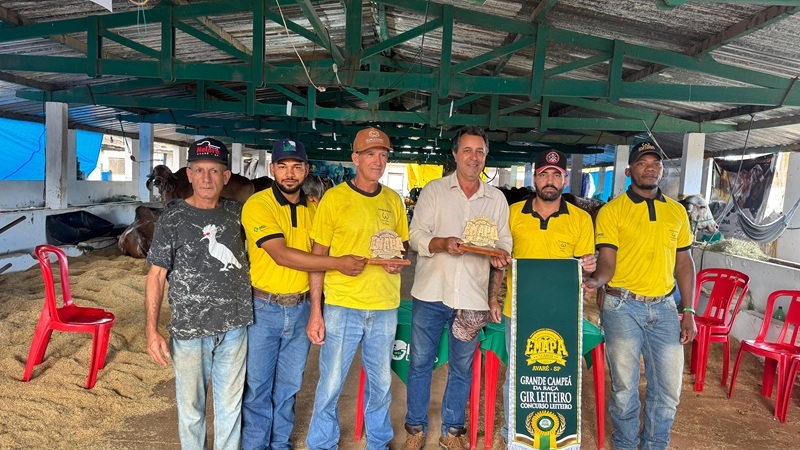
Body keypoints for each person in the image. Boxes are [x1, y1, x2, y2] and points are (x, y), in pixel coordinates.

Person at [240, 138, 366, 450]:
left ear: (306, 170)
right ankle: (256, 446)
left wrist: (316, 310)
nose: (290, 173)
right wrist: (338, 263)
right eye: (283, 166)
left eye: (297, 167)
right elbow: (281, 255)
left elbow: (327, 251)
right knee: (257, 386)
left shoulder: (314, 210)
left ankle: (279, 443)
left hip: (301, 308)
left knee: (289, 385)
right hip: (263, 307)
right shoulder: (258, 205)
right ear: (272, 169)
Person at [403, 125, 512, 450]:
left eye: (480, 151)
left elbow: (504, 242)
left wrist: (500, 255)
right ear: (454, 154)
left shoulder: (496, 199)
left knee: (462, 368)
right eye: (467, 150)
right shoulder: (434, 191)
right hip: (430, 293)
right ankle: (415, 428)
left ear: (486, 156)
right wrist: (441, 243)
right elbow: (415, 236)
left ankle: (451, 431)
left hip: (472, 300)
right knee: (420, 363)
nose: (473, 157)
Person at [584, 141, 697, 450]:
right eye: (642, 163)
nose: (650, 168)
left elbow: (684, 263)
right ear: (628, 170)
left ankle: (655, 444)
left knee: (668, 388)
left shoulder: (677, 212)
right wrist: (595, 280)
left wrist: (688, 311)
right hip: (622, 306)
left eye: (655, 163)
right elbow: (608, 261)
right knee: (624, 388)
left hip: (665, 307)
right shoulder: (612, 211)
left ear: (662, 170)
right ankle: (624, 443)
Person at [145, 137, 253, 450]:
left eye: (214, 171)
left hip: (234, 327)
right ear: (189, 175)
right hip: (189, 332)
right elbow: (156, 275)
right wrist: (151, 331)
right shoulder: (172, 218)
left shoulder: (237, 213)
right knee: (191, 410)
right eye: (200, 170)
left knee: (230, 407)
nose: (207, 178)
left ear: (226, 176)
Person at [305, 127, 409, 450]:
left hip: (384, 306)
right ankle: (322, 443)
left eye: (383, 155)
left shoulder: (393, 201)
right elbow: (317, 258)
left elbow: (402, 246)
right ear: (355, 158)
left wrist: (396, 261)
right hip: (342, 305)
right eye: (370, 154)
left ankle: (378, 442)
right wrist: (316, 311)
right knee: (331, 381)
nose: (378, 161)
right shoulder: (334, 199)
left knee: (381, 383)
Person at [498, 149, 597, 441]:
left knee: (559, 374)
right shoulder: (512, 214)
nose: (550, 180)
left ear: (565, 179)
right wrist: (492, 297)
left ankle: (557, 436)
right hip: (518, 311)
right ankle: (514, 435)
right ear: (534, 178)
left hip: (563, 313)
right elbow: (498, 260)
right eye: (544, 174)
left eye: (556, 174)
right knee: (517, 374)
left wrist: (588, 269)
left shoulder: (581, 219)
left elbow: (583, 272)